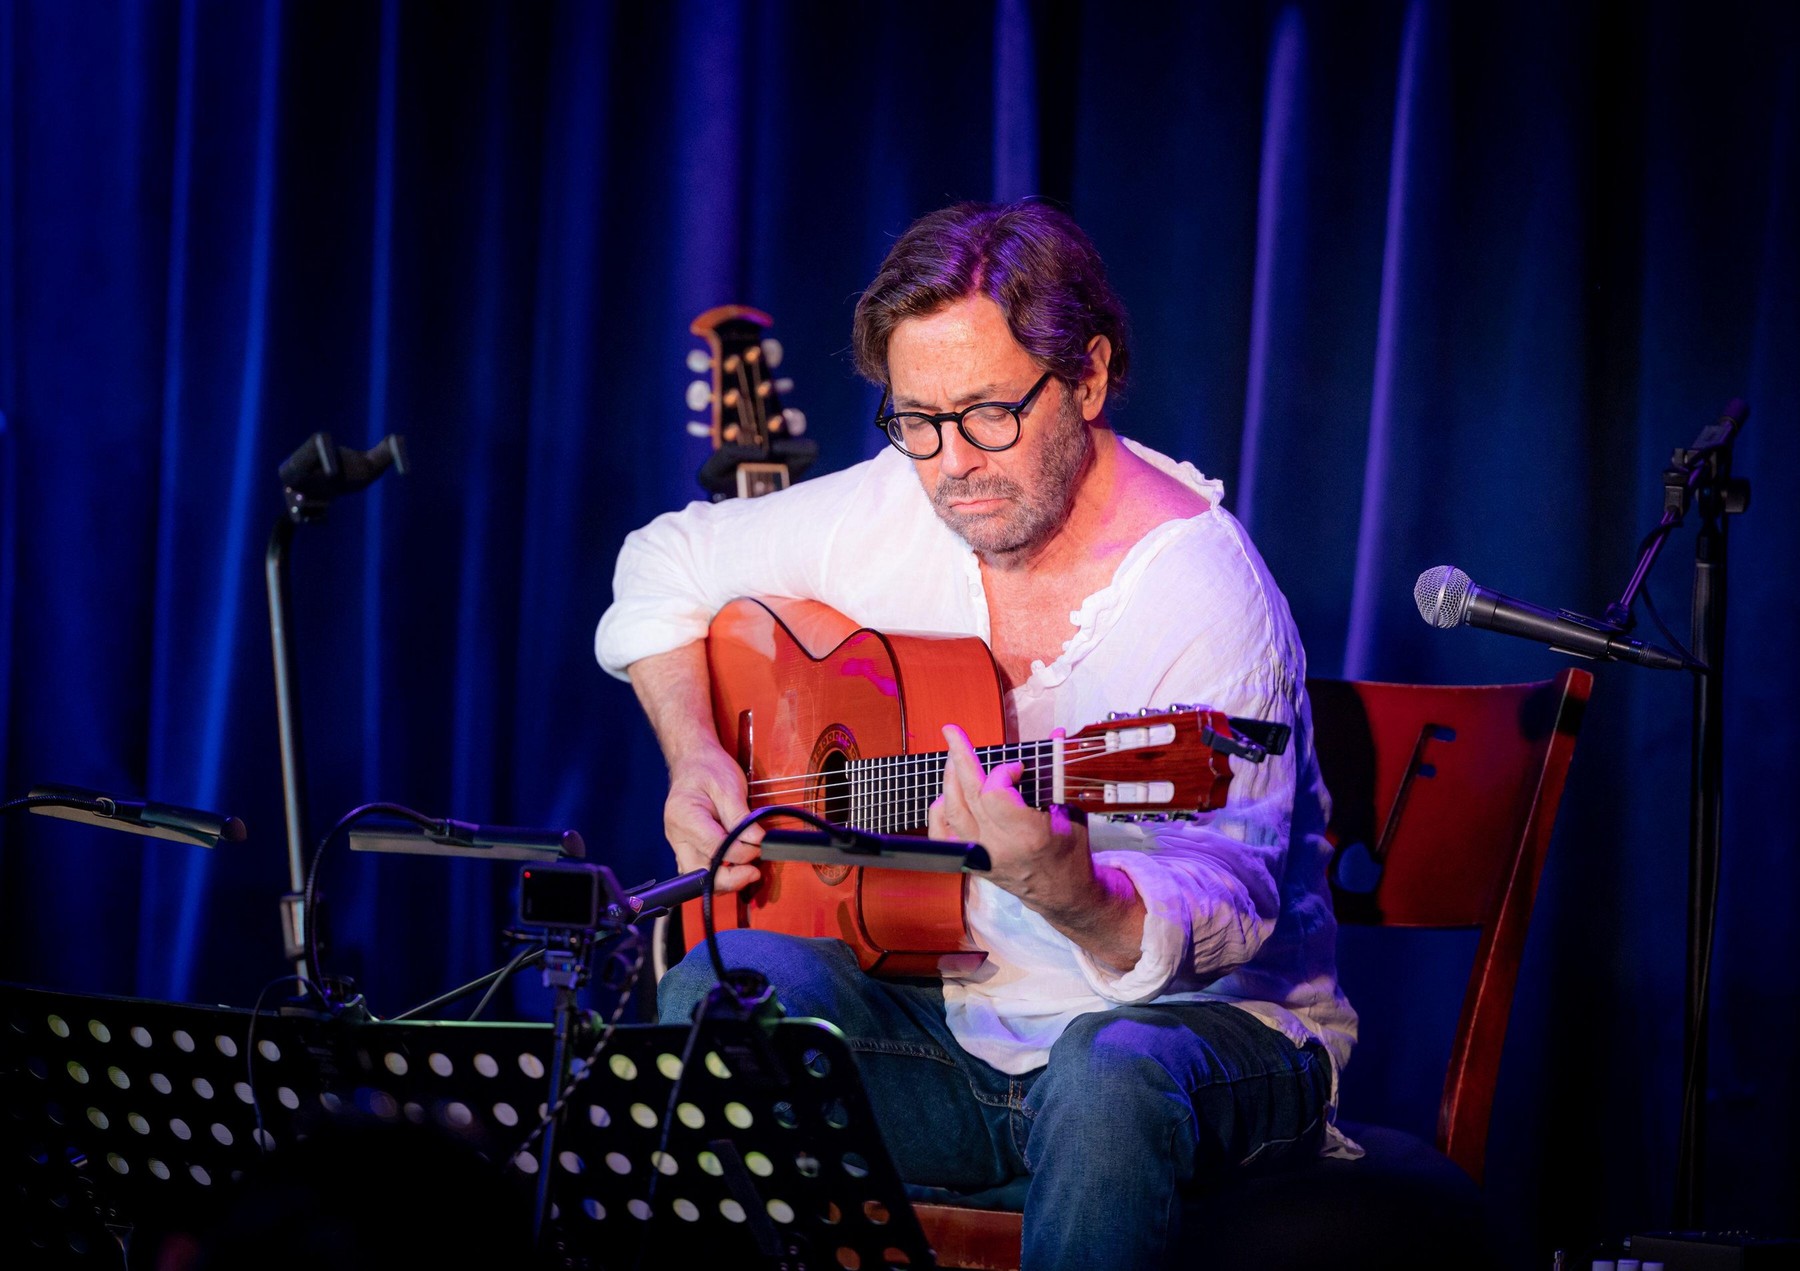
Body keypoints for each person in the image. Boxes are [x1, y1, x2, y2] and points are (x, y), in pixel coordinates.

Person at [595, 200, 1357, 1270]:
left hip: (1211, 1043)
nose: (953, 461)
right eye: (917, 420)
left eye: (990, 412)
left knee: (1109, 1074)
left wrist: (1076, 892)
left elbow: (1234, 900)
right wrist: (697, 757)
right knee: (716, 993)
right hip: (953, 1035)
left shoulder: (1204, 593)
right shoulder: (900, 502)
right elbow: (660, 565)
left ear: (1088, 378)